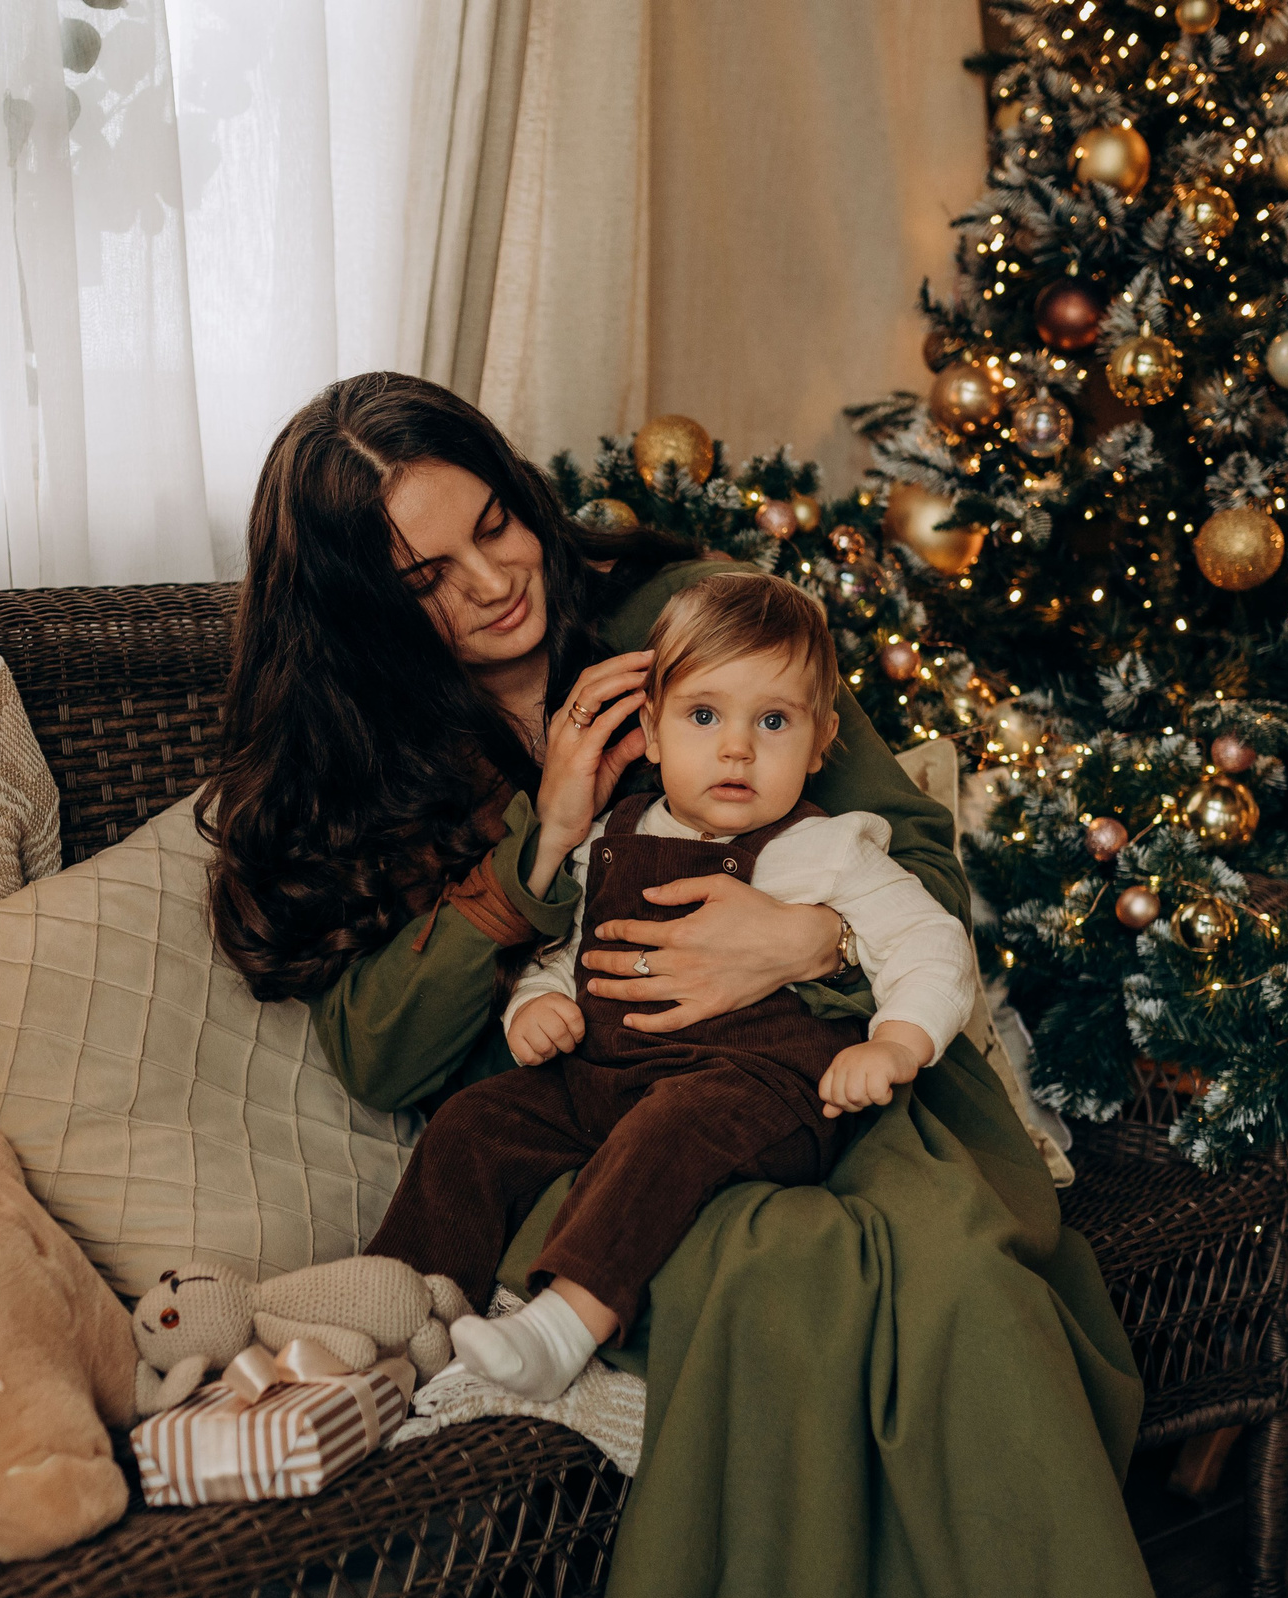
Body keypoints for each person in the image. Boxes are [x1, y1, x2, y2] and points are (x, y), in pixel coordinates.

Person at [204, 372, 1181, 1598]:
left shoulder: (688, 620)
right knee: (786, 1272)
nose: (494, 581)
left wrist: (812, 939)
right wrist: (544, 831)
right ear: (368, 612)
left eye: (496, 523)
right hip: (605, 1130)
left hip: (824, 1067)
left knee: (961, 1285)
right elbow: (381, 1052)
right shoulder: (360, 751)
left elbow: (921, 868)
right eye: (428, 574)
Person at [367, 572, 977, 1401]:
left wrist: (897, 1039)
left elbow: (930, 939)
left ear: (821, 739)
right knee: (477, 1120)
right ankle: (390, 1323)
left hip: (752, 1093)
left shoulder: (829, 849)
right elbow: (574, 953)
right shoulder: (612, 836)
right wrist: (536, 1006)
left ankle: (564, 1322)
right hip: (605, 1078)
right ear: (650, 732)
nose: (736, 748)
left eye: (773, 721)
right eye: (703, 716)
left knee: (673, 1126)